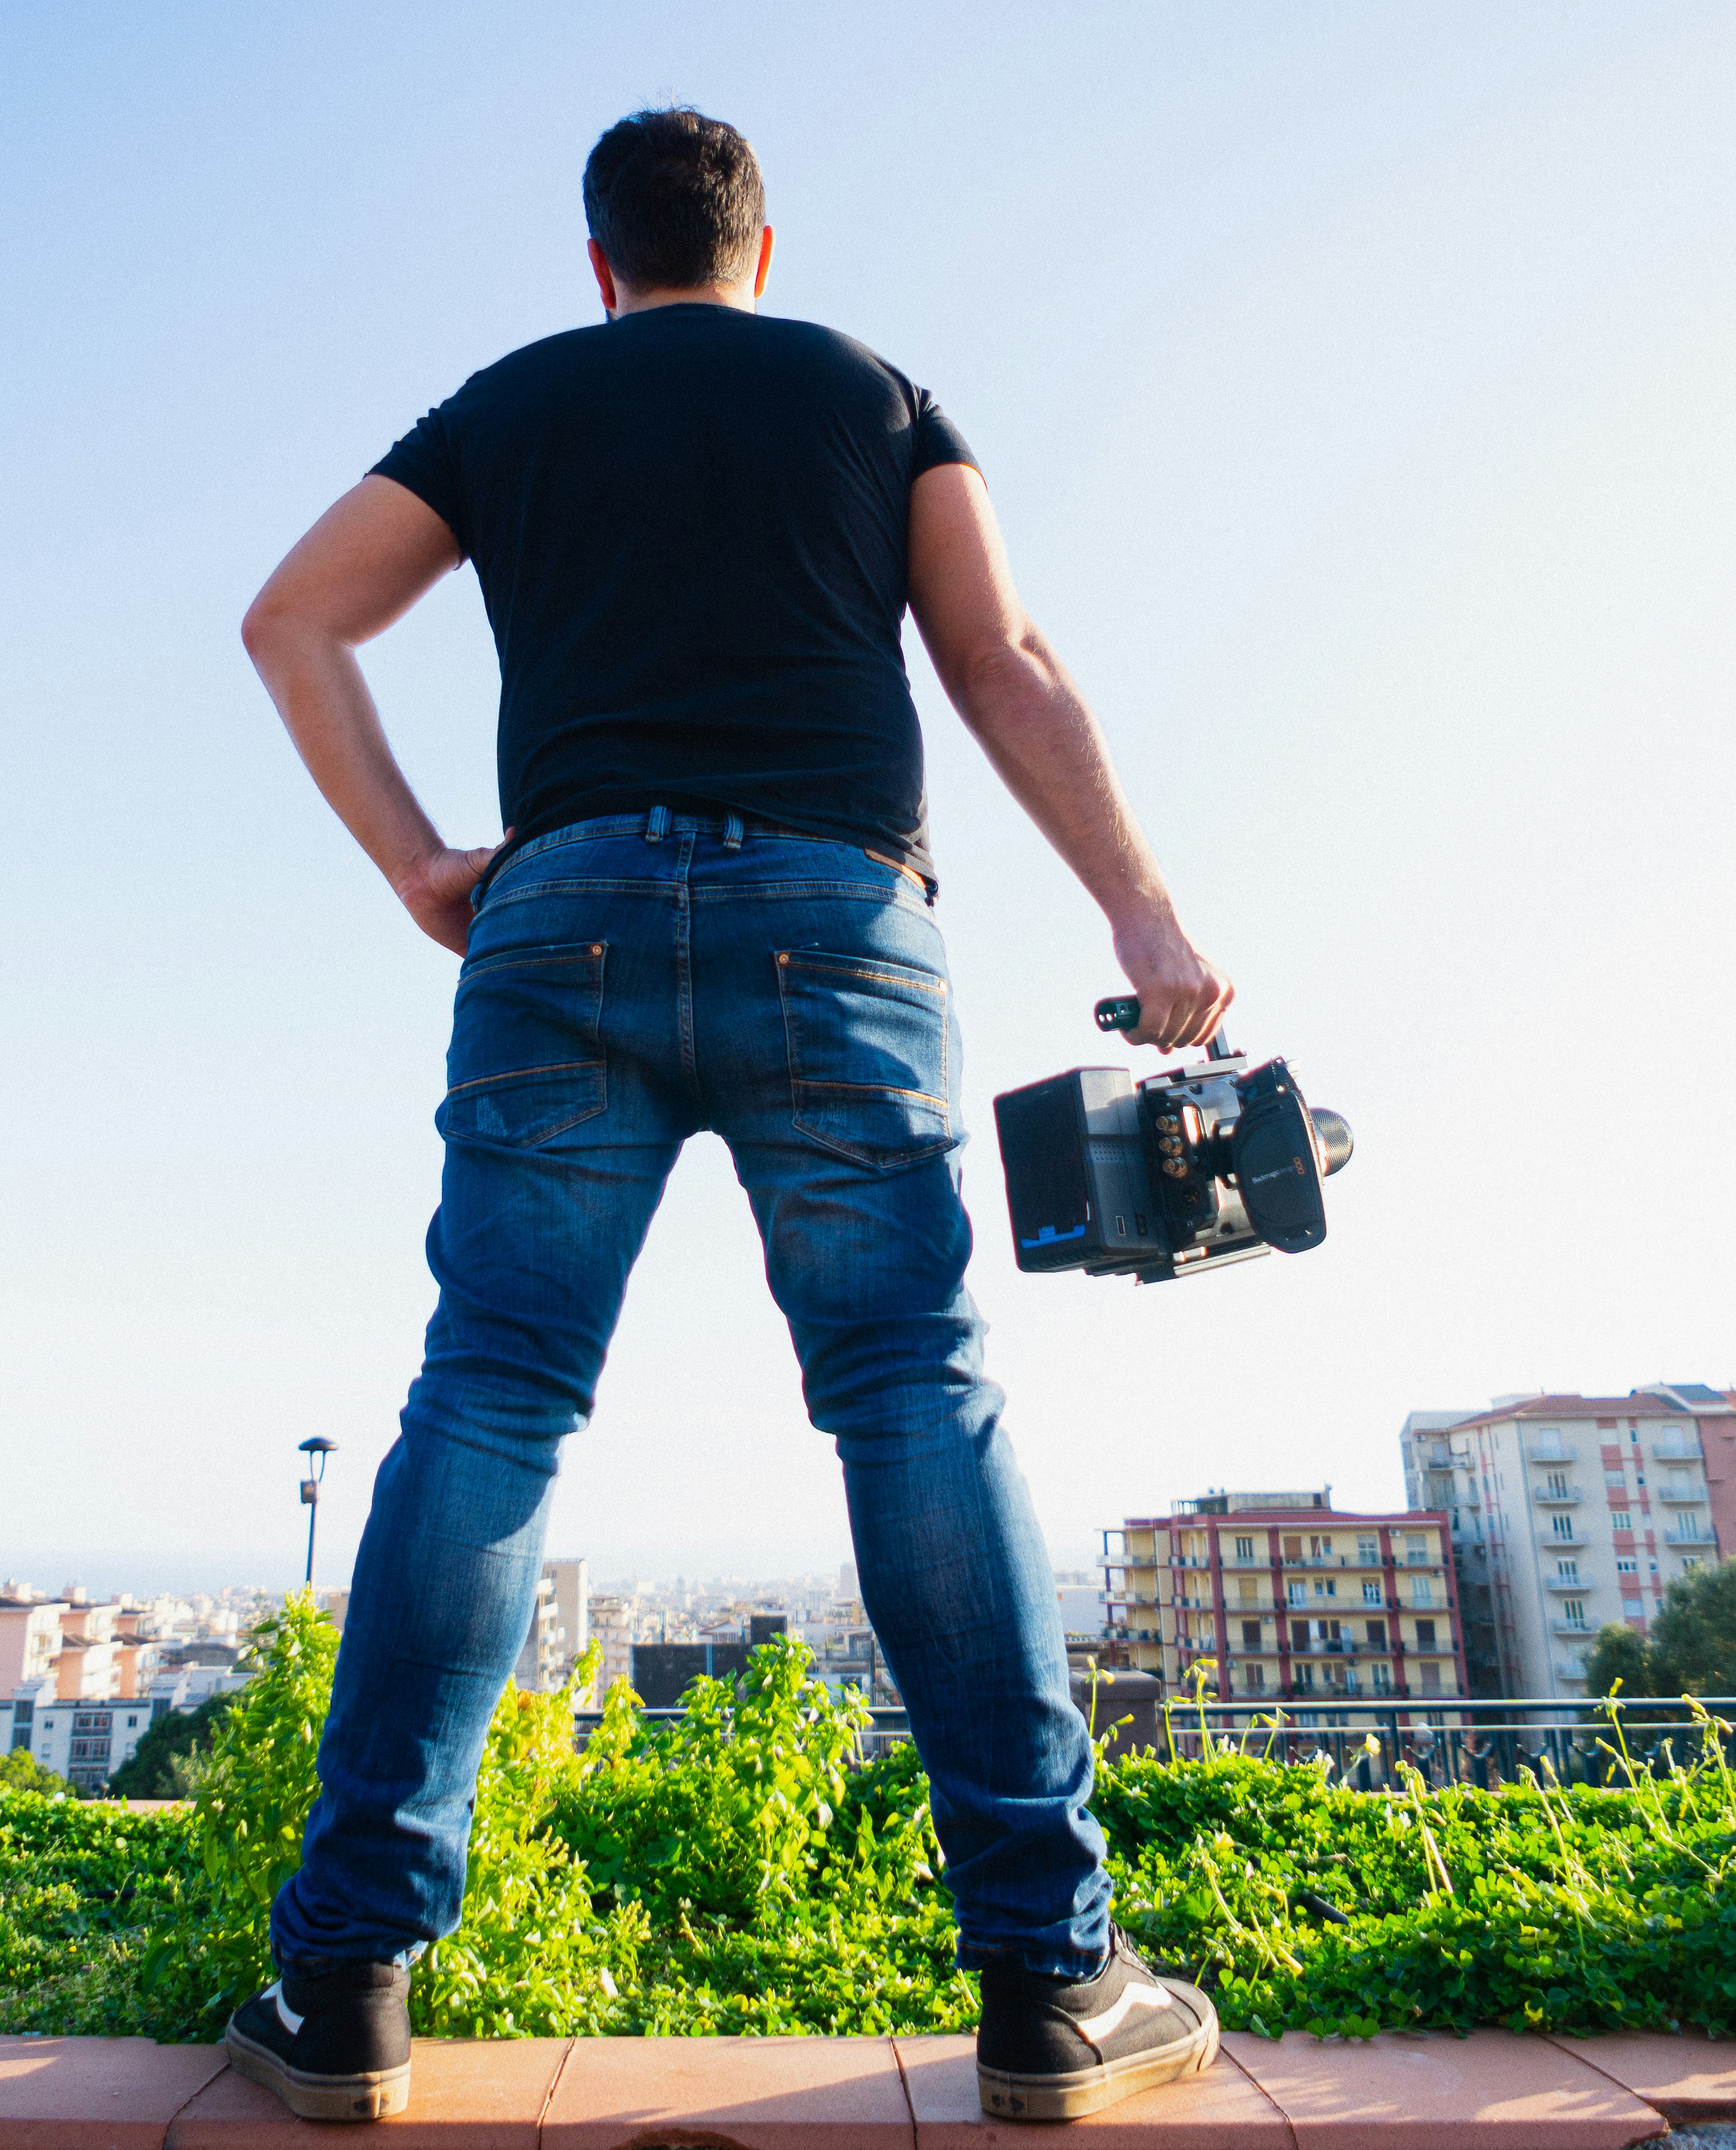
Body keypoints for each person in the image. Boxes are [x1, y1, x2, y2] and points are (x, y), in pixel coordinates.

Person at [231, 107, 1235, 2125]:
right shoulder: (874, 395)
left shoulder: (510, 404)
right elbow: (1003, 662)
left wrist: (427, 867)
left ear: (603, 263)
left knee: (492, 1397)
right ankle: (1051, 1981)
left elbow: (293, 617)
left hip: (563, 914)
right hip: (835, 917)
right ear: (760, 248)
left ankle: (344, 1986)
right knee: (911, 1397)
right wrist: (1147, 911)